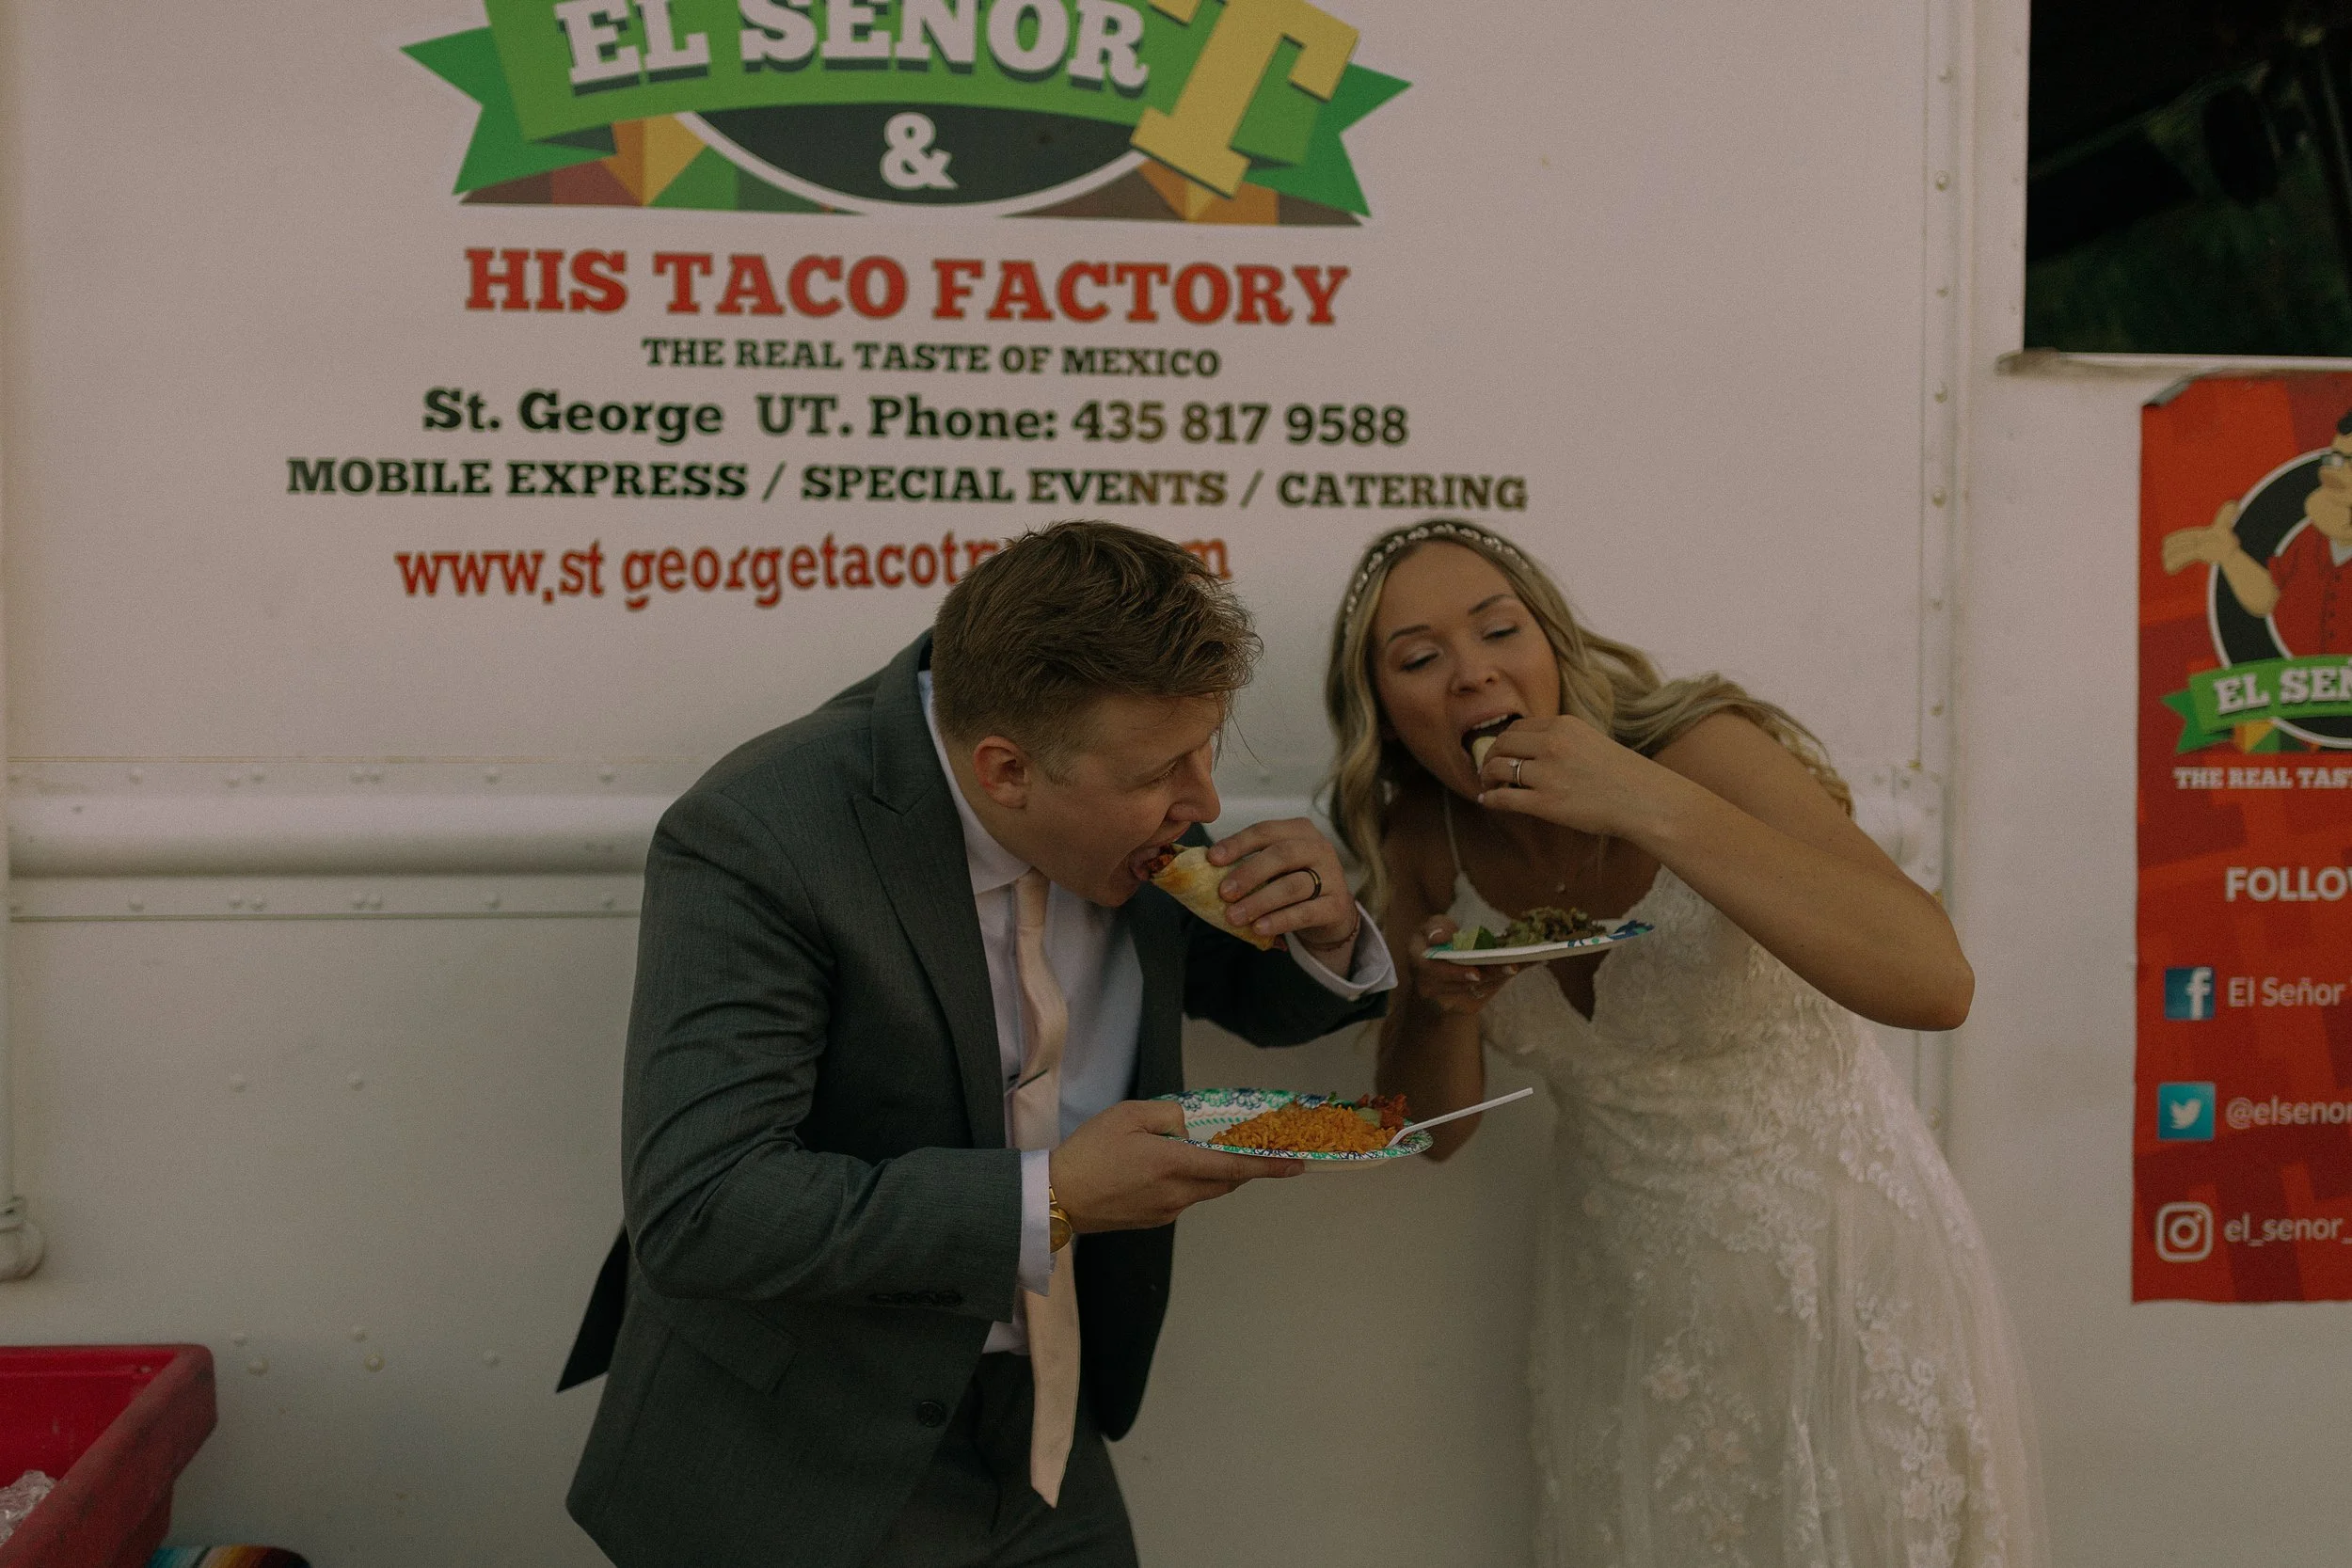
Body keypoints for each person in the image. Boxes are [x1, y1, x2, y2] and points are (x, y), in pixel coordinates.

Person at [567, 521, 1393, 1568]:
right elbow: (704, 1206)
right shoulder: (758, 833)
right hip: (803, 1452)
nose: (1205, 805)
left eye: (1207, 749)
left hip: (1050, 1429)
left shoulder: (1123, 803)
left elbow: (1238, 985)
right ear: (1003, 769)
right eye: (1161, 771)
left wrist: (1325, 934)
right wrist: (1049, 1196)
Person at [1324, 519, 2044, 1568]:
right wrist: (1444, 1004)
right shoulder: (1420, 841)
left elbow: (1936, 982)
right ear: (1385, 713)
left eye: (1498, 630)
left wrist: (1646, 800)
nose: (1472, 673)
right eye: (1420, 657)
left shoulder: (1697, 749)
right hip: (1625, 1306)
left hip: (1846, 1279)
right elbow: (1430, 1133)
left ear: (1553, 646)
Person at [2162, 409, 2352, 654]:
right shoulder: (2310, 542)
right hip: (2299, 684)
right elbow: (2267, 598)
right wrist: (2230, 556)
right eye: (2335, 459)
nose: (2334, 473)